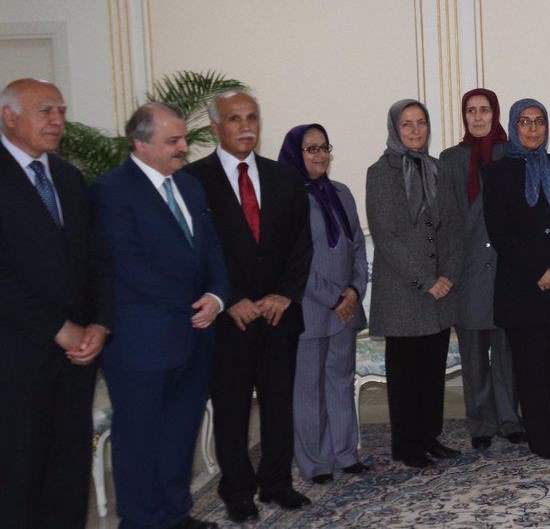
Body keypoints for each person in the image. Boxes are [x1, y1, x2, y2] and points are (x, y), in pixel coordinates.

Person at [92, 102, 228, 529]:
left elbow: (212, 252)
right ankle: (142, 521)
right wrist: (194, 301)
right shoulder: (111, 191)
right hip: (140, 343)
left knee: (178, 435)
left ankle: (176, 514)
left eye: (183, 138)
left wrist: (217, 296)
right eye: (173, 141)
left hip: (194, 336)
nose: (184, 147)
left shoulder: (189, 187)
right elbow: (128, 265)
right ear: (141, 143)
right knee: (140, 441)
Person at [183, 90, 314, 521]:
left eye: (252, 117)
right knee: (233, 406)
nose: (245, 126)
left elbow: (301, 244)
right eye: (234, 118)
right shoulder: (194, 180)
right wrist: (229, 299)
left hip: (279, 314)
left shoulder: (284, 177)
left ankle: (277, 483)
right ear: (216, 127)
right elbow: (195, 250)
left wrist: (284, 294)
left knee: (279, 404)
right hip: (229, 317)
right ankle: (237, 489)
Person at [0, 79, 112, 528]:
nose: (58, 120)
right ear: (9, 116)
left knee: (68, 478)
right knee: (19, 481)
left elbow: (98, 259)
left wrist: (100, 325)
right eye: (46, 110)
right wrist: (58, 327)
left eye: (61, 111)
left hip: (76, 360)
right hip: (16, 362)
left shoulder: (67, 176)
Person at [483, 98, 550, 459]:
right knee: (531, 368)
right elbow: (501, 232)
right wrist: (537, 271)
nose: (533, 129)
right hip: (522, 287)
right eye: (525, 122)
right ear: (513, 126)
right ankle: (543, 440)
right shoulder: (495, 173)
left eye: (539, 121)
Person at [365, 99, 463, 468]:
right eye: (407, 124)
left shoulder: (437, 169)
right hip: (405, 293)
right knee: (406, 375)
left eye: (421, 123)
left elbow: (453, 227)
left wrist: (449, 275)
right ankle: (406, 445)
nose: (416, 130)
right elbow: (386, 235)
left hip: (440, 291)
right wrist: (425, 281)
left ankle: (429, 437)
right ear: (395, 129)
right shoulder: (380, 172)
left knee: (431, 371)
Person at [277, 124, 371, 482]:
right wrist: (332, 296)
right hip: (311, 309)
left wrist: (353, 290)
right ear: (295, 154)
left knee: (340, 381)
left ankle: (345, 454)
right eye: (311, 149)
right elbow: (293, 260)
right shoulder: (289, 197)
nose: (320, 155)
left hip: (345, 307)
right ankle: (315, 462)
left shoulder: (341, 193)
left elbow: (357, 247)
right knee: (309, 388)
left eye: (324, 148)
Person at [438, 89, 526, 450]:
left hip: (505, 268)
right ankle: (480, 424)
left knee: (506, 350)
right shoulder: (450, 158)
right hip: (467, 267)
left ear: (495, 114)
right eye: (471, 111)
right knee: (473, 353)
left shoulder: (511, 153)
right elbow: (448, 217)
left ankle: (510, 418)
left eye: (484, 110)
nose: (477, 117)